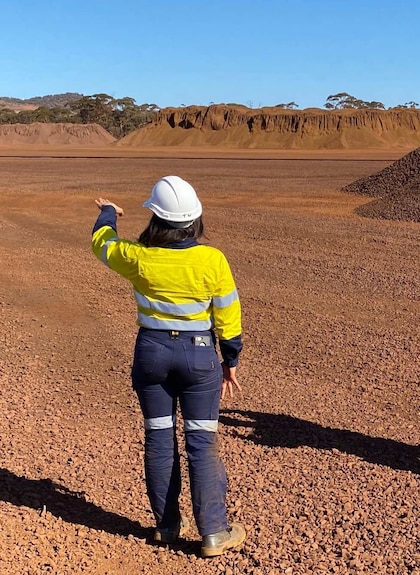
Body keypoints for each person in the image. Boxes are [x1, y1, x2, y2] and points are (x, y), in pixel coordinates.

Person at [91, 175, 246, 556]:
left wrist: (109, 213)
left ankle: (166, 526)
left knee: (159, 438)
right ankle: (213, 533)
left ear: (156, 219)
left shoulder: (139, 256)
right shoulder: (212, 259)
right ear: (195, 220)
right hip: (199, 358)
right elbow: (228, 314)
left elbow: (102, 243)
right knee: (201, 444)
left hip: (152, 355)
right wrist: (230, 361)